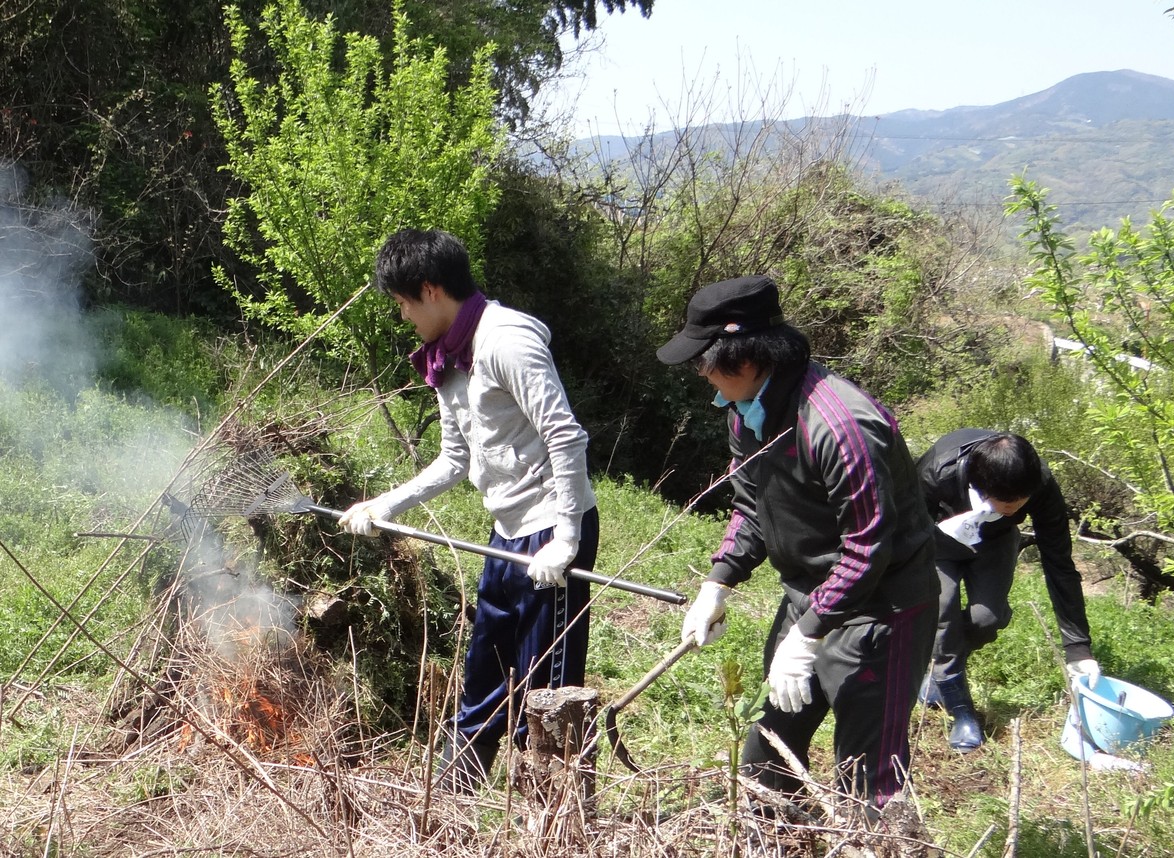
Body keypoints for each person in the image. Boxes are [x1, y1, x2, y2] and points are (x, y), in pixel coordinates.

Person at [657, 275, 939, 808]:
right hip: (810, 594)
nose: (703, 380)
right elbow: (751, 506)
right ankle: (773, 837)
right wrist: (717, 582)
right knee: (769, 747)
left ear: (742, 360)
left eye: (705, 365)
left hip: (884, 607)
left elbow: (866, 547)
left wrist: (808, 635)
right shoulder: (747, 413)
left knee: (868, 773)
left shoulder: (842, 427)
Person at [339, 228, 599, 792]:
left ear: (431, 290)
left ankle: (550, 816)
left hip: (552, 531)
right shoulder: (446, 358)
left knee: (545, 690)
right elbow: (454, 460)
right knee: (484, 671)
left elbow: (566, 437)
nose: (403, 315)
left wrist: (568, 539)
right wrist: (385, 504)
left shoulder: (506, 341)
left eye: (404, 302)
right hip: (506, 532)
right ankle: (452, 801)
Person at [915, 429, 1100, 752]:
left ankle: (941, 666)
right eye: (1008, 503)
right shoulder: (936, 473)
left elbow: (1059, 562)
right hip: (937, 540)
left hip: (994, 541)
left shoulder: (1038, 483)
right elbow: (905, 534)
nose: (1018, 506)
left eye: (1021, 503)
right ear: (981, 489)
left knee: (987, 619)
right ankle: (962, 712)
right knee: (941, 614)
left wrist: (1078, 649)